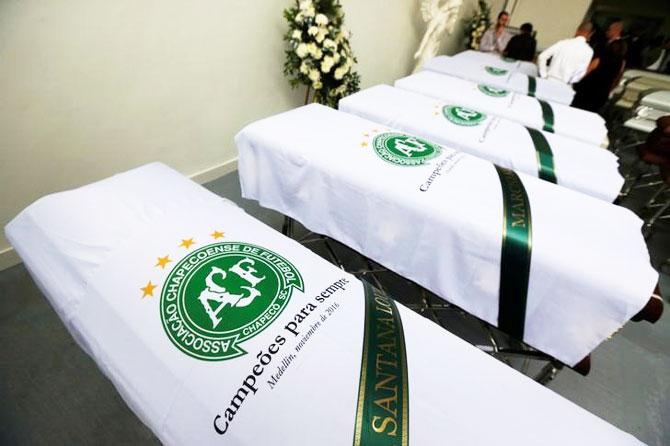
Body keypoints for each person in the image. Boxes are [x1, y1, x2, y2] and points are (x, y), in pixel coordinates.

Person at [572, 19, 627, 113]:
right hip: (602, 92)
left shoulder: (604, 49)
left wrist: (576, 80)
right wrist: (610, 90)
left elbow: (591, 67)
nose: (607, 31)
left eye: (609, 29)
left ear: (616, 30)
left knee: (576, 110)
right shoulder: (622, 52)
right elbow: (619, 74)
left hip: (588, 89)